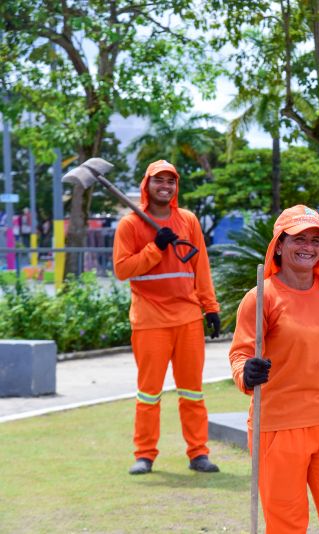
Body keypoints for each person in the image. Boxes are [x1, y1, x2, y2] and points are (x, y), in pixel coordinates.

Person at [228, 205, 319, 533]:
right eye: (298, 239)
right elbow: (240, 354)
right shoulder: (261, 297)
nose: (308, 247)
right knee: (286, 526)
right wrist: (246, 373)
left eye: (315, 239)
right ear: (279, 244)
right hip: (278, 428)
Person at [113, 159, 222, 476]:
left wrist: (210, 307)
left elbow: (200, 267)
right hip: (149, 320)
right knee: (149, 393)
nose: (165, 186)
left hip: (187, 317)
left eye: (170, 181)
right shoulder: (130, 225)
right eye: (159, 180)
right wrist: (154, 248)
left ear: (176, 188)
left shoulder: (187, 220)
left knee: (193, 391)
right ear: (147, 185)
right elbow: (122, 270)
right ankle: (144, 455)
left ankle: (198, 453)